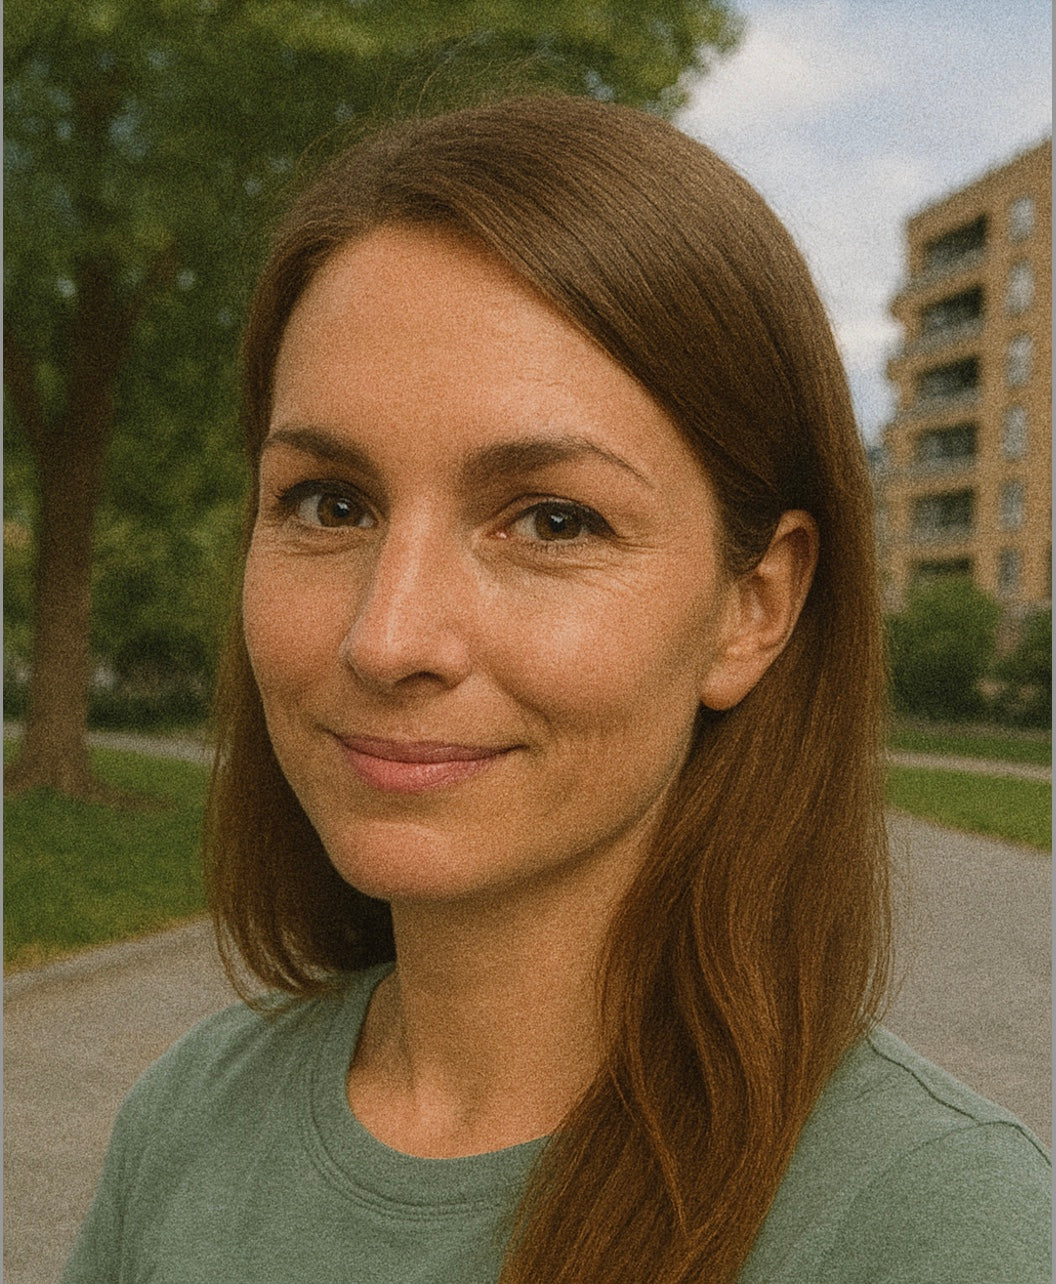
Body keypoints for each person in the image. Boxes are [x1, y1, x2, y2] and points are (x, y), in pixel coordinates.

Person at [63, 95, 1049, 1284]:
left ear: (756, 606)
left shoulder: (933, 1230)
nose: (387, 638)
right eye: (331, 503)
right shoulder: (188, 1119)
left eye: (553, 521)